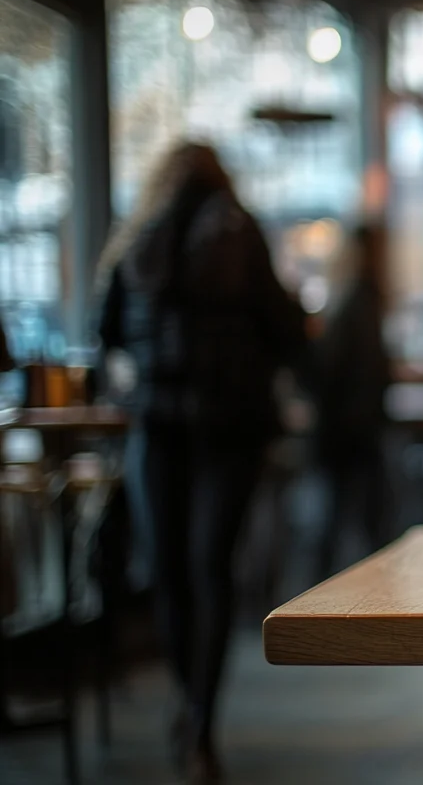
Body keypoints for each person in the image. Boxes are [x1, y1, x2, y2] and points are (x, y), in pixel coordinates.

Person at [97, 142, 308, 784]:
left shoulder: (140, 236)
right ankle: (201, 721)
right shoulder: (241, 233)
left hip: (157, 427)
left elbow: (103, 330)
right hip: (231, 429)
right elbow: (288, 332)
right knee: (212, 570)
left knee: (170, 572)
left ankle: (187, 702)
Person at [311, 223, 392, 580]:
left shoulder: (347, 298)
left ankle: (313, 604)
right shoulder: (364, 298)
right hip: (354, 431)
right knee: (366, 527)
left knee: (335, 526)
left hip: (340, 429)